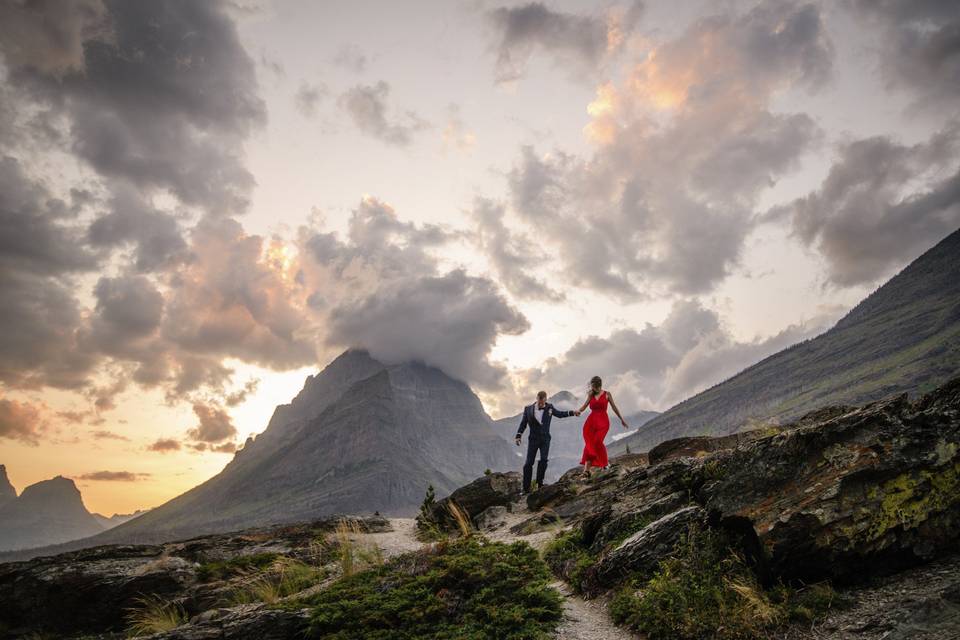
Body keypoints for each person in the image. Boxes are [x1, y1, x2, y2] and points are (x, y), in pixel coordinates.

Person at [515, 391, 577, 495]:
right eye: (539, 402)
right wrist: (518, 435)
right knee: (528, 463)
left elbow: (560, 414)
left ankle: (540, 484)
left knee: (544, 460)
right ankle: (526, 488)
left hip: (545, 439)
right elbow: (523, 423)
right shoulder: (528, 409)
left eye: (543, 402)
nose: (541, 404)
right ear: (537, 398)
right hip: (533, 440)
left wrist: (572, 412)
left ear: (545, 400)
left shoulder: (550, 407)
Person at [576, 376, 629, 478]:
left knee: (597, 442)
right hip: (591, 422)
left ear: (598, 385)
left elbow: (614, 407)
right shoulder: (591, 394)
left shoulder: (607, 394)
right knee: (589, 444)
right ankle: (586, 471)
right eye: (591, 386)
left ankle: (605, 464)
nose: (592, 388)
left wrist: (621, 419)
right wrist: (579, 411)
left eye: (593, 386)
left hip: (603, 422)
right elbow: (584, 405)